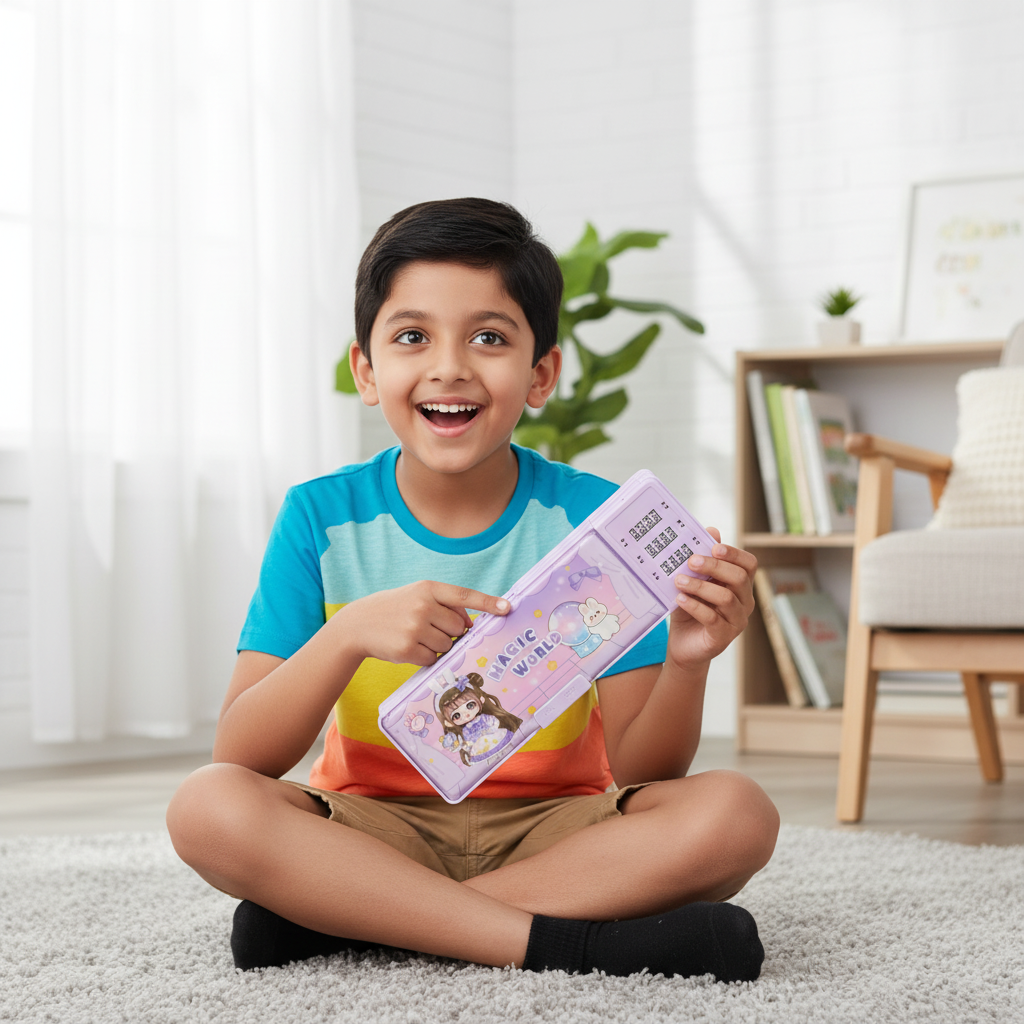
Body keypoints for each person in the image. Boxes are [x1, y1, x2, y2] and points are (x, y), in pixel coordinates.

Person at [166, 198, 780, 981]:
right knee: (206, 804)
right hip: (371, 825)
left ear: (540, 374)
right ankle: (566, 945)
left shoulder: (594, 520)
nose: (449, 366)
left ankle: (363, 921)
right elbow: (242, 755)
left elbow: (644, 772)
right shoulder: (319, 516)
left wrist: (689, 661)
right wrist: (349, 631)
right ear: (366, 369)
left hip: (557, 829)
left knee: (735, 814)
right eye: (412, 336)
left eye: (489, 338)